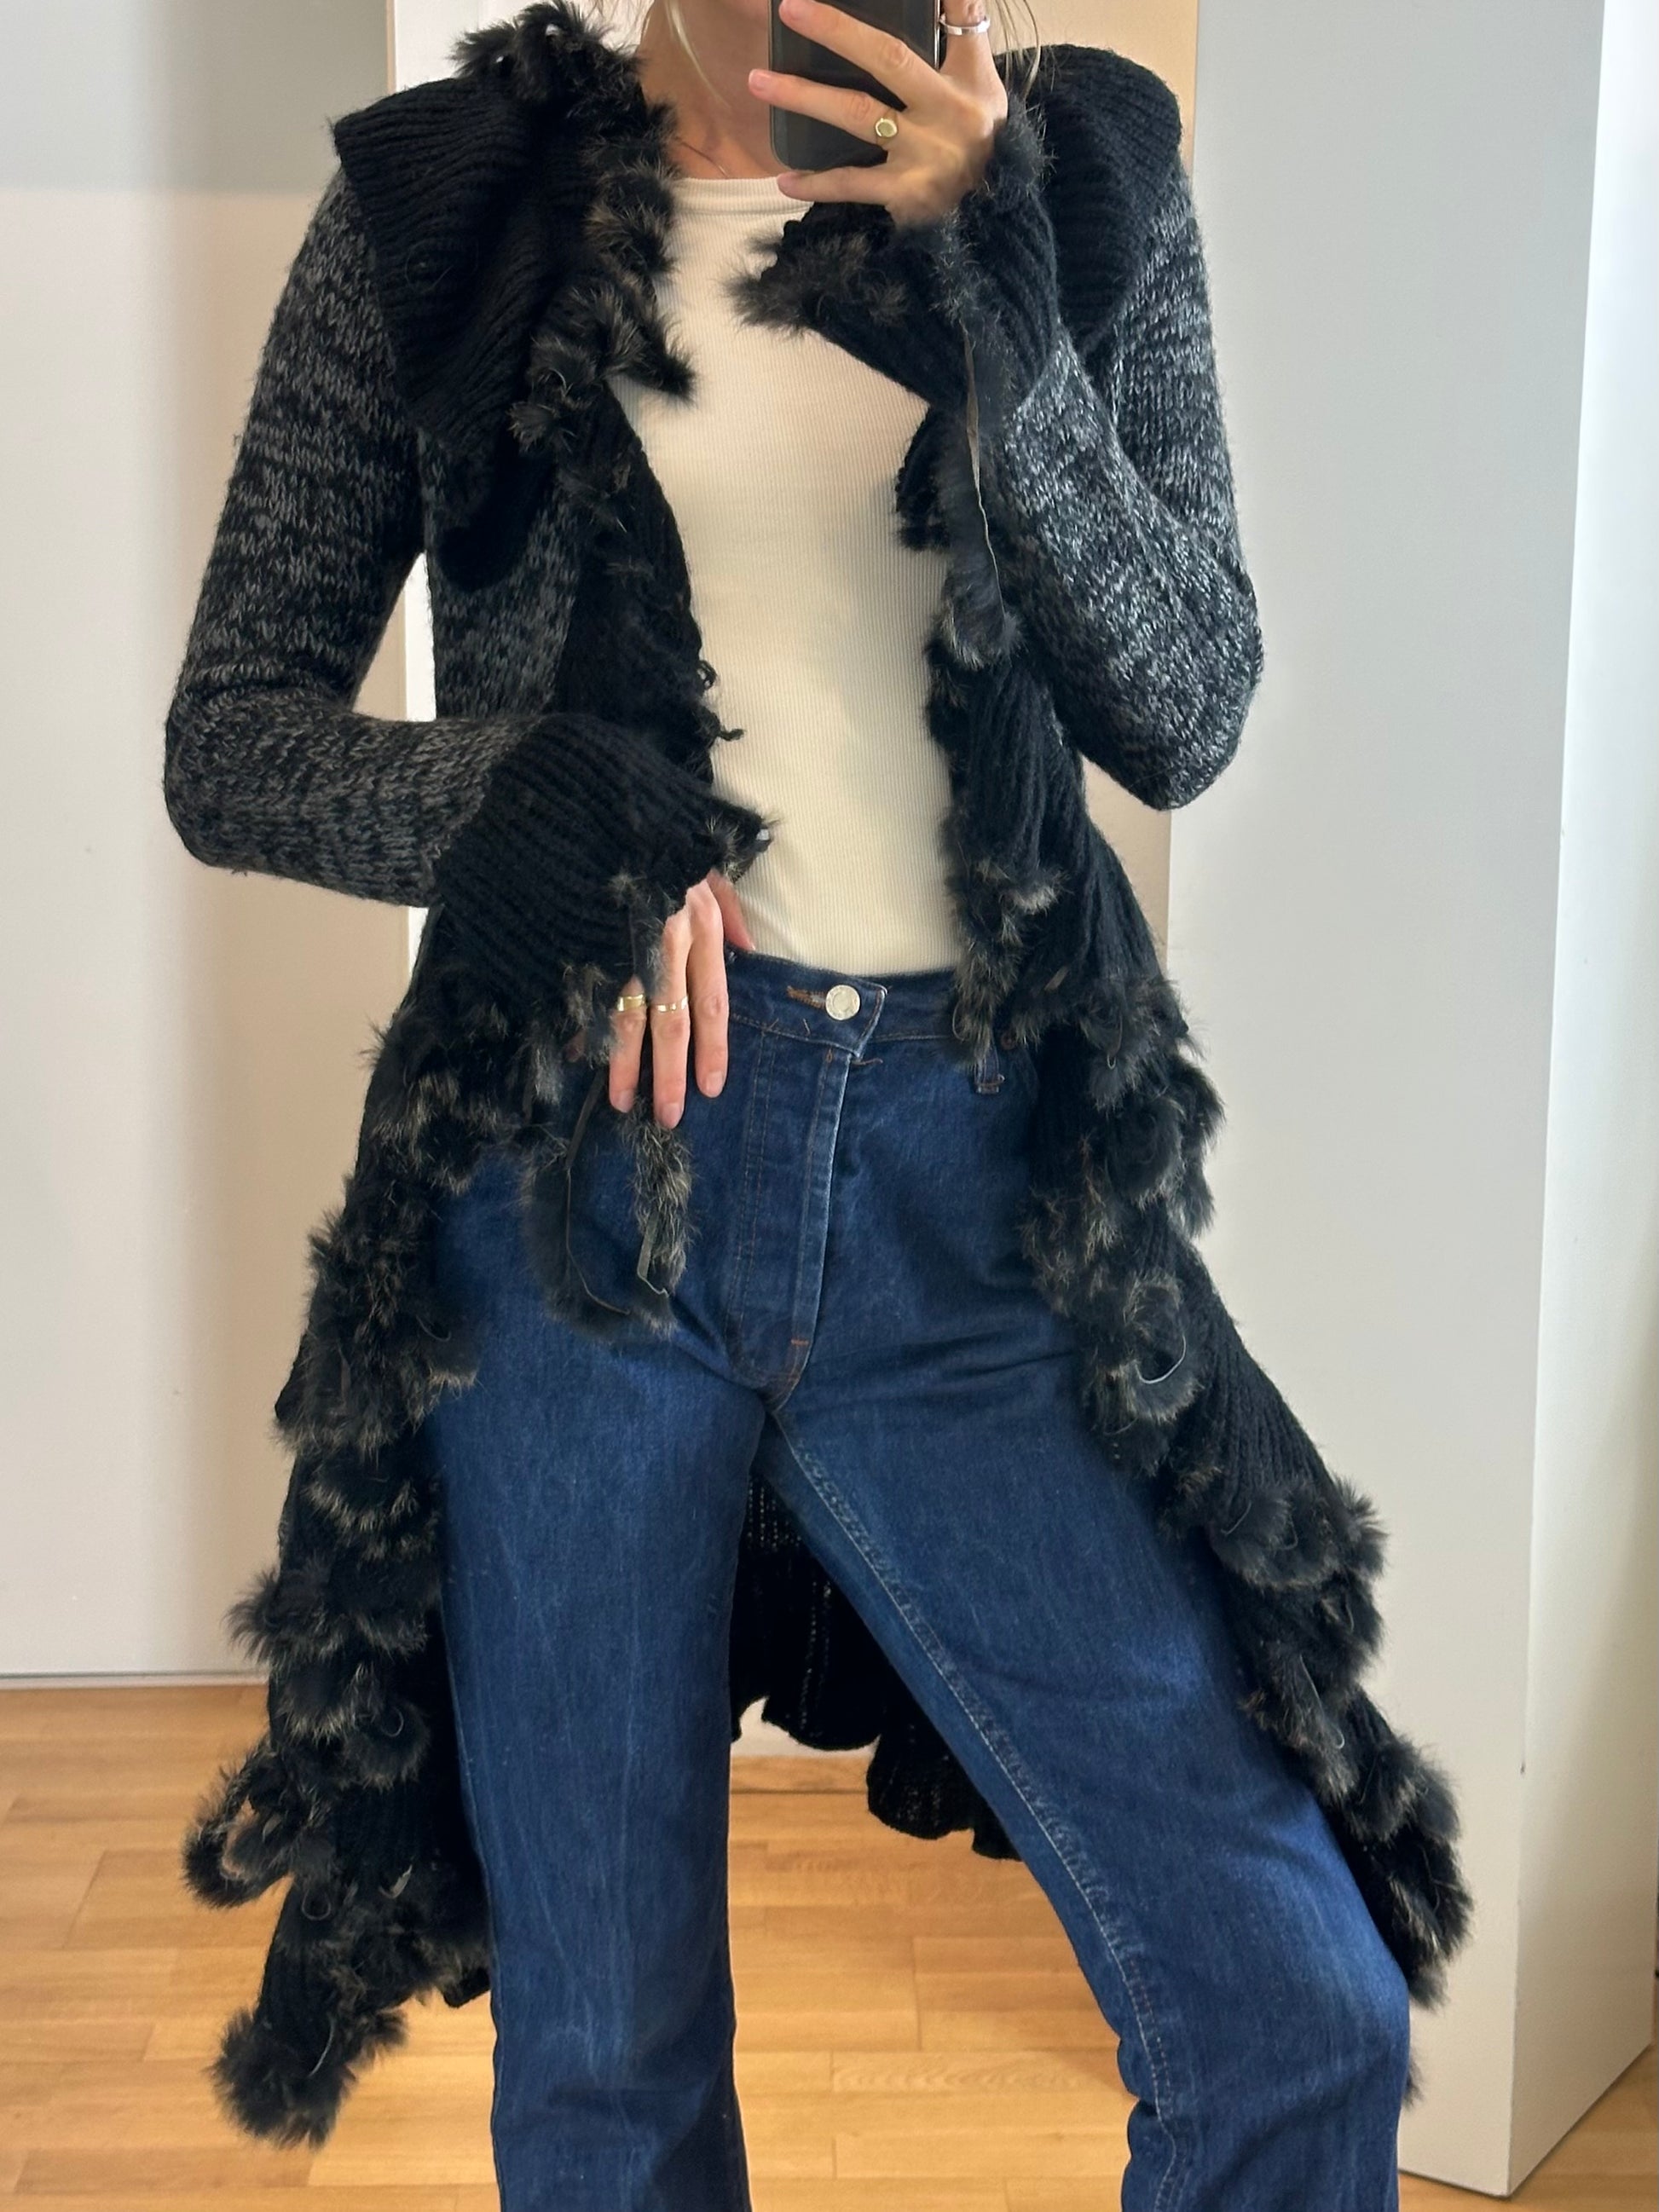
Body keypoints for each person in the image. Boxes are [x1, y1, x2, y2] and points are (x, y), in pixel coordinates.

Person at [165, 2, 1470, 2206]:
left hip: (978, 1196)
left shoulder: (1080, 165)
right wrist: (538, 806)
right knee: (607, 2073)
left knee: (1292, 2010)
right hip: (574, 1208)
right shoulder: (457, 200)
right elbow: (231, 736)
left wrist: (999, 296)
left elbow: (1183, 704)